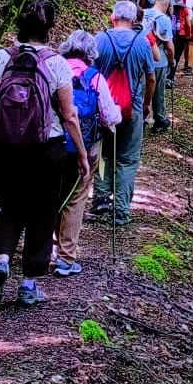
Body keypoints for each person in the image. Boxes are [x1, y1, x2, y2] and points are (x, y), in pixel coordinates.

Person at [0, 0, 89, 306]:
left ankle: (2, 261)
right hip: (47, 149)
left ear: (19, 24)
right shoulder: (57, 64)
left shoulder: (0, 58)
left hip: (8, 147)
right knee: (42, 213)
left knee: (10, 207)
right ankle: (28, 285)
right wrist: (81, 152)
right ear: (49, 28)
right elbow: (69, 116)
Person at [53, 30, 119, 277]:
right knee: (75, 199)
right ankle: (66, 257)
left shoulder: (52, 70)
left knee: (51, 194)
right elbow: (110, 116)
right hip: (84, 147)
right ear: (91, 53)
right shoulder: (94, 77)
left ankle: (45, 250)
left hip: (51, 143)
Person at [91, 0, 153, 225]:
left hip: (102, 108)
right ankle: (121, 210)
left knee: (103, 152)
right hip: (131, 108)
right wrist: (146, 104)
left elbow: (90, 74)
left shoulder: (100, 40)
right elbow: (151, 77)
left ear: (113, 17)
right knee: (127, 159)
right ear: (134, 20)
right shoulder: (142, 42)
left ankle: (100, 198)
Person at [143, 0, 174, 133]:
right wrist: (171, 60)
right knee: (158, 90)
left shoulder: (143, 13)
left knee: (142, 89)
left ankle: (141, 119)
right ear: (166, 4)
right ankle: (160, 119)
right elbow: (169, 45)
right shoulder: (164, 19)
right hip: (158, 59)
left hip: (141, 57)